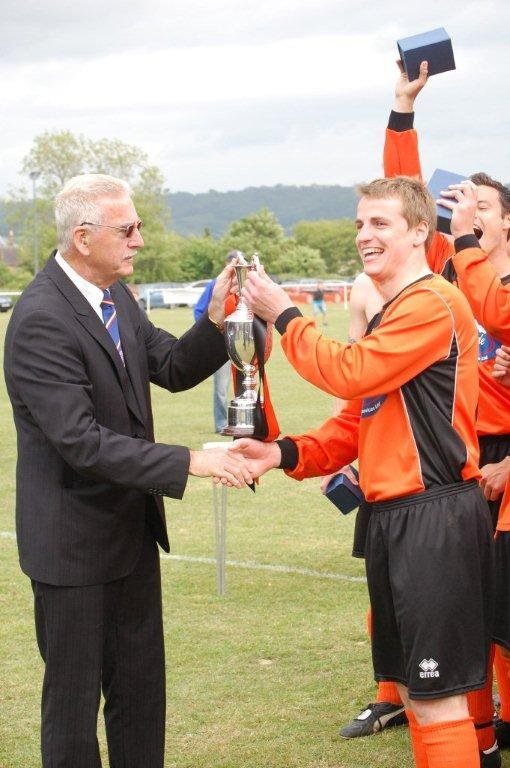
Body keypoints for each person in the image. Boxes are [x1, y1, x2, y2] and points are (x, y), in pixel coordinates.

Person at [230, 176, 495, 768]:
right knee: (414, 692)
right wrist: (282, 453)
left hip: (434, 517)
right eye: (358, 224)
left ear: (420, 232)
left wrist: (286, 315)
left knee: (438, 698)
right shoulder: (394, 312)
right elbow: (354, 421)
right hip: (393, 518)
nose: (364, 236)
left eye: (380, 224)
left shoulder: (430, 303)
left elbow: (347, 373)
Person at [3, 173, 253, 768]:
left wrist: (216, 322)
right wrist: (191, 461)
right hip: (72, 549)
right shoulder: (40, 317)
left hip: (131, 536)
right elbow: (81, 443)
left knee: (140, 698)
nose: (139, 239)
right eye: (129, 229)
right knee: (73, 708)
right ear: (83, 238)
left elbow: (169, 364)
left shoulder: (116, 297)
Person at [384, 60, 510, 766]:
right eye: (459, 205)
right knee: (471, 615)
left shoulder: (489, 277)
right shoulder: (445, 263)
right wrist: (403, 112)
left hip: (507, 456)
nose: (464, 213)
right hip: (463, 460)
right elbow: (405, 190)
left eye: (481, 206)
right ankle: (481, 741)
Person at [321, 273, 407, 740]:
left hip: (437, 463)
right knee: (381, 588)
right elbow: (355, 379)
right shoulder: (363, 285)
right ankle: (390, 697)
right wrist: (348, 450)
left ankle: (480, 708)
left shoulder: (450, 275)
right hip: (377, 454)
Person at [193, 250, 240, 433]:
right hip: (221, 345)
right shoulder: (215, 285)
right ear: (227, 265)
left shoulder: (245, 285)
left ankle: (243, 422)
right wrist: (210, 335)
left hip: (241, 343)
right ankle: (221, 424)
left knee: (245, 386)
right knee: (221, 387)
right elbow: (199, 311)